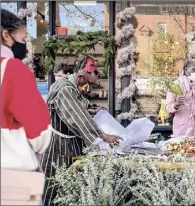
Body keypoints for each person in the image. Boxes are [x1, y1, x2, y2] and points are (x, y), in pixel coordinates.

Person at [41, 55, 121, 205]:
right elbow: (77, 117)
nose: (89, 89)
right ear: (82, 77)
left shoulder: (72, 87)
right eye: (89, 85)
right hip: (59, 147)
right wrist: (103, 136)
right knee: (57, 190)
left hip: (72, 144)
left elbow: (78, 110)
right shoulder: (65, 89)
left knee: (74, 193)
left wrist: (93, 111)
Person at [1, 8, 52, 203]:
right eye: (23, 40)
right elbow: (40, 133)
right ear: (6, 35)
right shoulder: (12, 70)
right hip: (11, 178)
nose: (25, 47)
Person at [165, 59, 195, 139]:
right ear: (186, 69)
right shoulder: (175, 85)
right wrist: (176, 104)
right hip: (182, 129)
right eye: (194, 70)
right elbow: (167, 108)